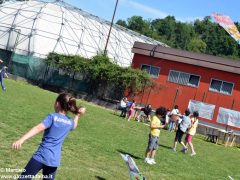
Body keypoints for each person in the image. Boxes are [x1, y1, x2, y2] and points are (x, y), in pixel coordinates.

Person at [12, 93, 86, 179]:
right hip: (54, 160)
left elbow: (38, 128)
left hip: (41, 156)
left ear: (57, 104)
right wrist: (77, 115)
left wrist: (21, 140)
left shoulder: (52, 117)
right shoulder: (70, 122)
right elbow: (74, 125)